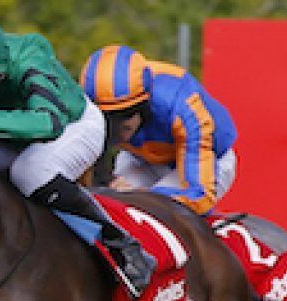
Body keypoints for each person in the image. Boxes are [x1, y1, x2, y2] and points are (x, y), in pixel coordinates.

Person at [0, 12, 157, 298]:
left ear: (1, 74)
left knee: (29, 172)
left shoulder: (29, 61)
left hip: (70, 125)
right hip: (9, 128)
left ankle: (122, 244)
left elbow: (48, 123)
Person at [81, 44, 239, 215]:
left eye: (124, 114)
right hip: (140, 158)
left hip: (207, 163)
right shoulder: (84, 114)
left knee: (150, 211)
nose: (116, 127)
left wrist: (142, 195)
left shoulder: (184, 109)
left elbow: (199, 197)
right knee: (114, 208)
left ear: (144, 104)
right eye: (106, 117)